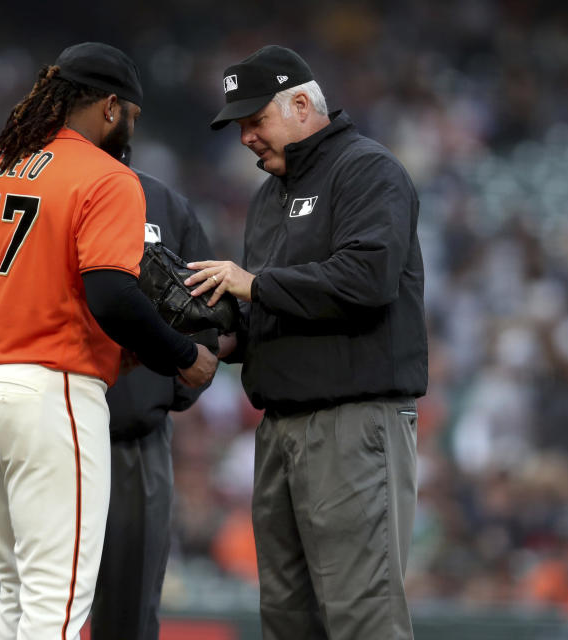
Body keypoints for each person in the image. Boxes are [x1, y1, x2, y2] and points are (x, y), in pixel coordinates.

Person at [0, 42, 216, 640]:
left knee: (15, 585)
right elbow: (113, 297)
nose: (130, 133)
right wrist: (182, 355)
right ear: (110, 107)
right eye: (132, 118)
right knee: (56, 600)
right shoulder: (106, 176)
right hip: (49, 388)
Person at [186, 45, 428, 639]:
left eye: (254, 120)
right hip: (280, 429)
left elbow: (367, 278)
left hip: (352, 421)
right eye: (238, 125)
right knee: (288, 620)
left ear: (301, 104)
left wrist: (255, 284)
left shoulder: (367, 169)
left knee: (361, 618)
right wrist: (221, 334)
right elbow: (272, 305)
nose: (244, 137)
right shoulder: (269, 197)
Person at [0, 155, 217, 640]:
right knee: (31, 602)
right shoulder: (29, 192)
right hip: (47, 433)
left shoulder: (165, 205)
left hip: (132, 441)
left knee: (127, 613)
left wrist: (153, 389)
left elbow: (207, 333)